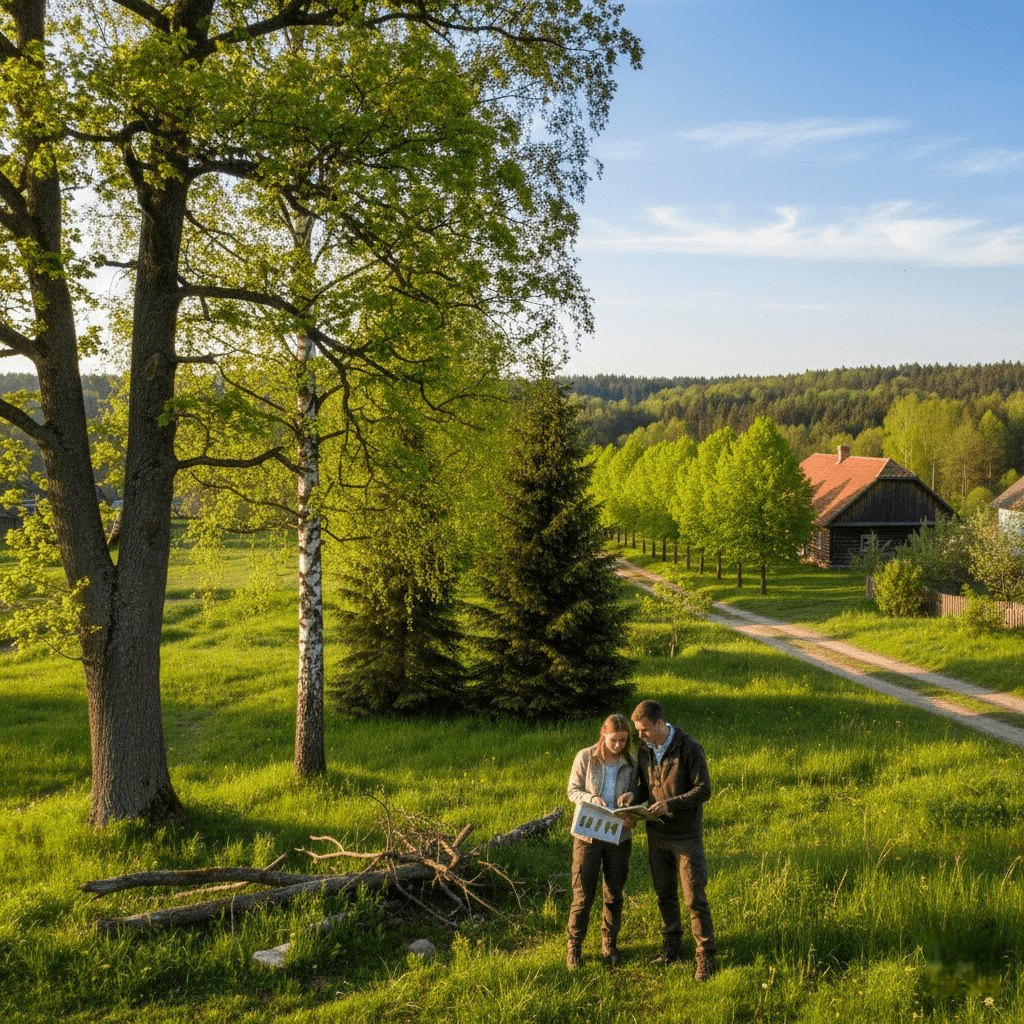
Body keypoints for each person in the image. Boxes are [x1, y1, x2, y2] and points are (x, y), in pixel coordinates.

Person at [624, 698, 718, 981]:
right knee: (664, 893)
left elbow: (704, 790)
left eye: (644, 730)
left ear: (661, 724)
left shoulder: (689, 747)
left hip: (685, 836)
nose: (639, 736)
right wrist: (634, 796)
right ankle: (672, 946)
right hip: (656, 834)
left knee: (694, 897)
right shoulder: (645, 749)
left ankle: (705, 956)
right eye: (637, 730)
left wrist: (671, 804)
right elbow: (646, 786)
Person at [565, 713, 638, 968]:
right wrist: (591, 799)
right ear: (603, 734)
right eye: (614, 740)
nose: (618, 745)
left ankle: (609, 941)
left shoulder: (631, 761)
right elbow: (572, 790)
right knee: (583, 894)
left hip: (619, 834)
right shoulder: (585, 756)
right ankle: (574, 945)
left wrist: (631, 805)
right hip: (588, 832)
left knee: (614, 892)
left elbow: (638, 795)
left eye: (623, 740)